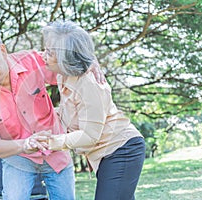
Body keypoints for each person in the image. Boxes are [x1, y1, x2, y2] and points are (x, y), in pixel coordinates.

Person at [0, 26, 76, 200]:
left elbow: (68, 75)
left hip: (56, 149)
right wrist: (25, 144)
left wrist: (70, 113)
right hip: (18, 158)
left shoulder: (31, 60)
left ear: (2, 49)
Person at [40, 21, 146, 200]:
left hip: (121, 149)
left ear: (66, 56)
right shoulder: (63, 75)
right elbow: (72, 112)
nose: (44, 55)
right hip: (106, 155)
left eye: (50, 52)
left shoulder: (89, 84)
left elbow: (90, 135)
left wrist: (51, 142)